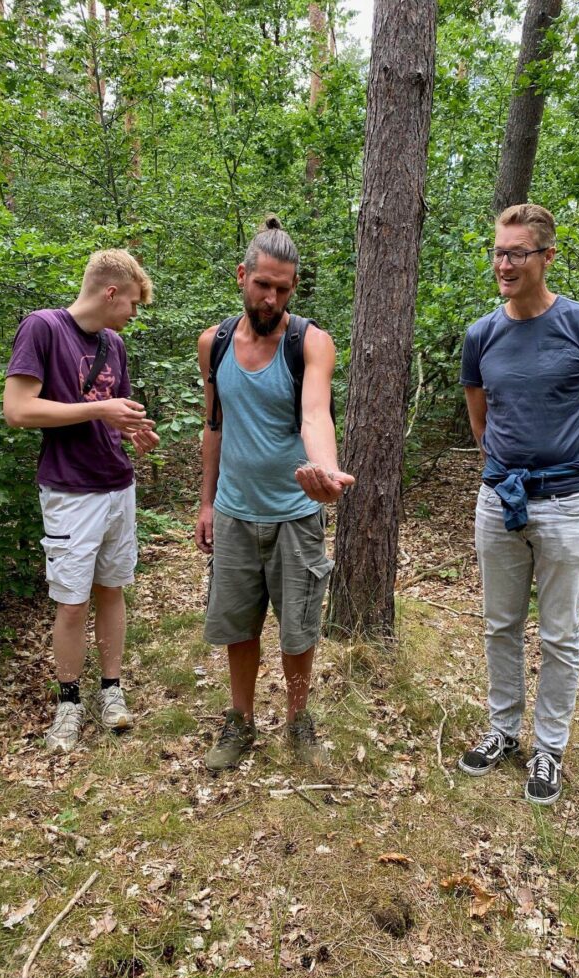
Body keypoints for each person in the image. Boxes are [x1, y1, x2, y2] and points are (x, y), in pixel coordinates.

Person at [458, 203, 579, 805]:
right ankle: (502, 730)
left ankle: (549, 749)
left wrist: (576, 474)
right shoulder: (481, 335)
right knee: (500, 625)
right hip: (500, 500)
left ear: (547, 257)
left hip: (569, 503)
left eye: (517, 253)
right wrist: (506, 471)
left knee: (559, 635)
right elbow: (482, 420)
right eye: (499, 252)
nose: (504, 263)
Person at [196, 216, 354, 770]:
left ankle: (298, 719)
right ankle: (239, 720)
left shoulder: (310, 341)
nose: (271, 298)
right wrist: (207, 500)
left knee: (297, 627)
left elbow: (316, 412)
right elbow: (213, 425)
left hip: (294, 514)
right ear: (243, 275)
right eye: (262, 284)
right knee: (238, 626)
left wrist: (325, 472)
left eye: (283, 289)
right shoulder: (212, 344)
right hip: (236, 512)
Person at [3, 249, 159, 754]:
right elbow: (19, 409)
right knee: (72, 602)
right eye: (132, 303)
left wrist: (133, 429)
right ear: (110, 292)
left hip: (117, 483)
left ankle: (111, 691)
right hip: (70, 490)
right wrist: (99, 409)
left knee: (112, 589)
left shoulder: (113, 344)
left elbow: (115, 412)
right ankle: (68, 702)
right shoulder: (43, 328)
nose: (133, 314)